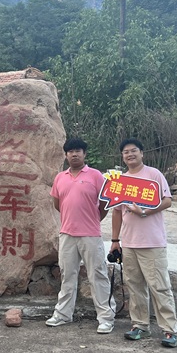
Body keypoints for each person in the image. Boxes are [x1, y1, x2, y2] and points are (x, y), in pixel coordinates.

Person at [109, 138, 177, 348]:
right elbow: (117, 212)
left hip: (152, 242)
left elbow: (167, 201)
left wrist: (145, 212)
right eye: (126, 152)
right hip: (129, 243)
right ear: (122, 157)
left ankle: (170, 329)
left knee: (159, 287)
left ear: (142, 153)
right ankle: (140, 325)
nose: (130, 154)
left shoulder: (153, 175)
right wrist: (115, 240)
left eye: (134, 151)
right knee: (134, 286)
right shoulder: (120, 181)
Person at [47, 138, 116, 334]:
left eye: (78, 150)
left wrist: (92, 219)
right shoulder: (60, 177)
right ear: (66, 155)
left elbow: (104, 204)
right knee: (67, 275)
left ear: (84, 154)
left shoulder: (96, 176)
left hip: (90, 235)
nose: (74, 154)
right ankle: (63, 314)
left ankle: (106, 318)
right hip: (67, 234)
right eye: (70, 151)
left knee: (98, 275)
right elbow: (58, 204)